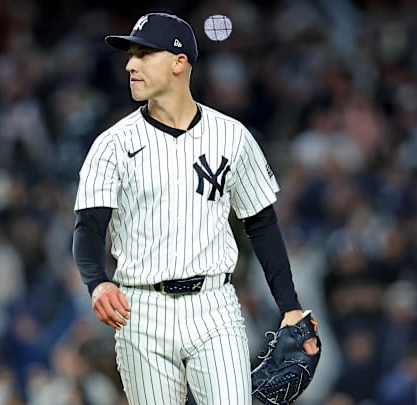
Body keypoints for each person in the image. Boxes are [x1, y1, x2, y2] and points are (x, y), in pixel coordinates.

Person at [71, 12, 318, 404]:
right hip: (141, 308)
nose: (130, 65)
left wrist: (289, 307)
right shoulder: (112, 144)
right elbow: (88, 228)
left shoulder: (231, 136)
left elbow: (262, 224)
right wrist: (97, 281)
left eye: (143, 54)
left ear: (178, 62)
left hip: (214, 305)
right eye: (130, 55)